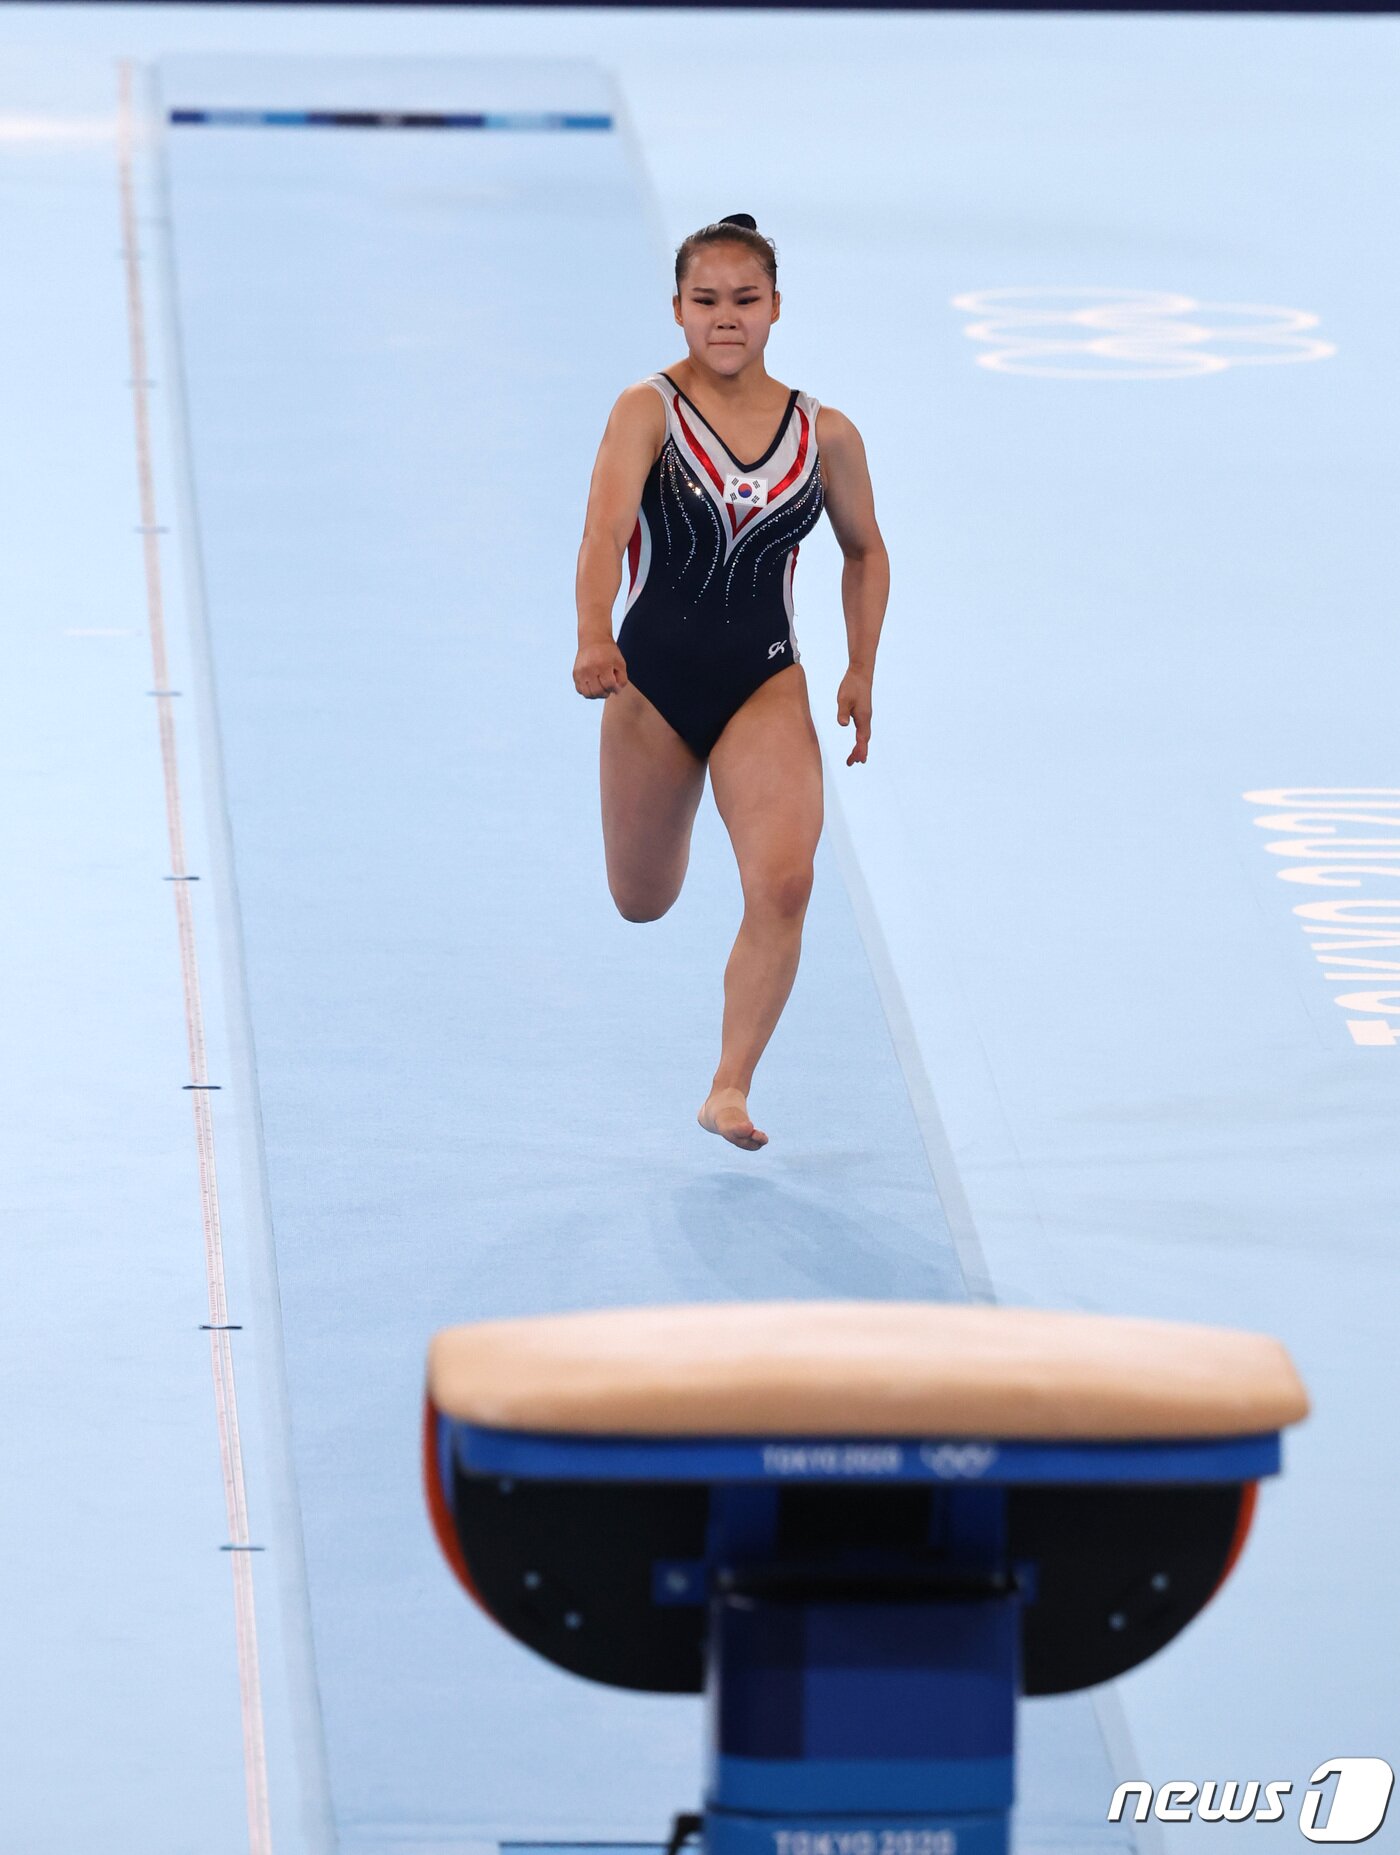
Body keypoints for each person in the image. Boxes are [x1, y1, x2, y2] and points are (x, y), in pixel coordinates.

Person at [573, 213, 889, 1151]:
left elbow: (865, 551)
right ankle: (672, 832)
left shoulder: (825, 434)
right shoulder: (648, 411)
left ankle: (729, 1087)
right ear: (677, 308)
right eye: (705, 300)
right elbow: (604, 531)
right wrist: (593, 636)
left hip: (764, 682)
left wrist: (861, 665)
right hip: (650, 685)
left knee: (786, 883)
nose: (725, 317)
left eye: (745, 300)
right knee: (642, 900)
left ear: (776, 308)